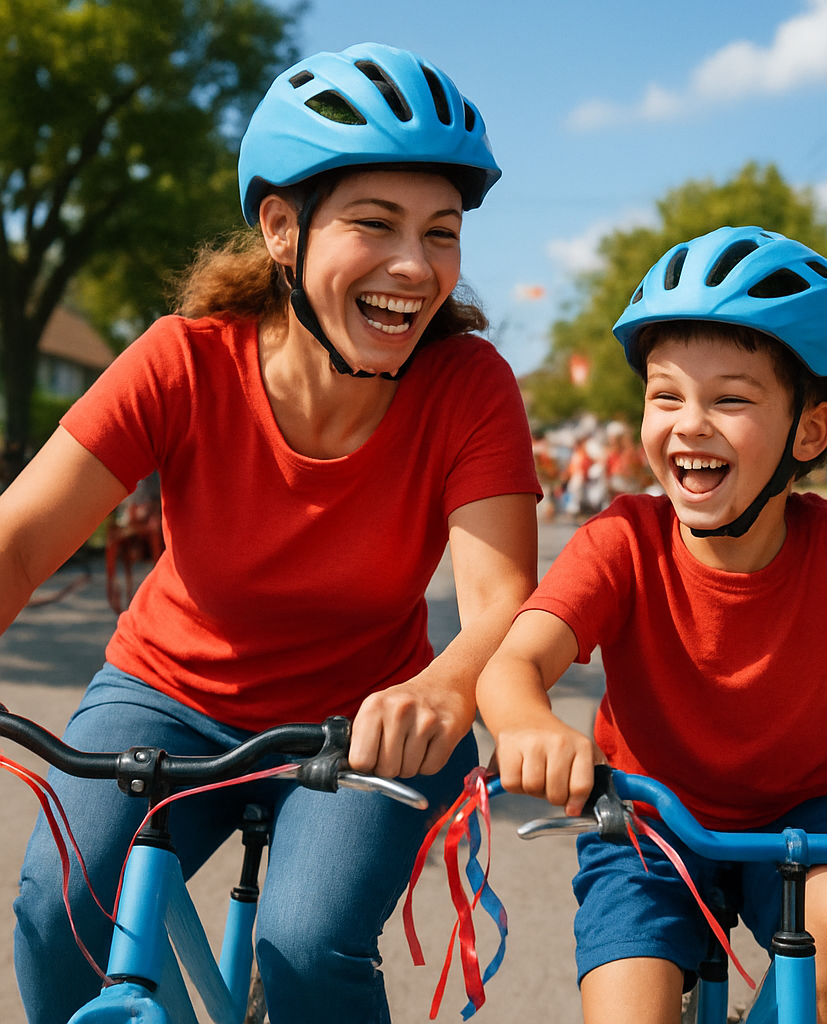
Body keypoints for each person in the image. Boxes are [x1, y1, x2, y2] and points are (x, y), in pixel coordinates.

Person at [2, 43, 540, 1024]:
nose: (414, 267)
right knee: (52, 914)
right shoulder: (182, 362)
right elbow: (22, 541)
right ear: (281, 228)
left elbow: (502, 606)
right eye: (375, 224)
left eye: (441, 233)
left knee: (304, 952)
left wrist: (445, 686)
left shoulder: (469, 386)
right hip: (164, 695)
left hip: (369, 718)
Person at [476, 226, 827, 1024]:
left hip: (801, 822)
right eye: (666, 396)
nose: (689, 424)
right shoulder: (620, 541)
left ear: (809, 432)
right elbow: (513, 661)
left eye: (730, 399)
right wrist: (530, 724)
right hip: (644, 828)